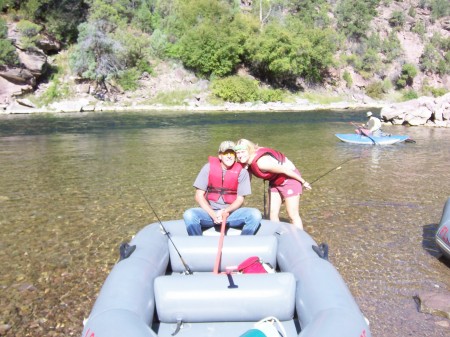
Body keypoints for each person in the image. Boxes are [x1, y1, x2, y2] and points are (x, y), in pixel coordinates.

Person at [183, 140, 262, 236]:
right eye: (226, 153)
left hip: (231, 213)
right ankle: (198, 243)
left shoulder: (242, 172)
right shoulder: (207, 168)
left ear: (235, 155)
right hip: (209, 213)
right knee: (189, 214)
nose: (229, 156)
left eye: (232, 153)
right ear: (220, 155)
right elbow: (199, 196)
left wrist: (226, 211)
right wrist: (213, 214)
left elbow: (240, 199)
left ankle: (243, 241)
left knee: (255, 214)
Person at [233, 139, 311, 230]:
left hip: (290, 180)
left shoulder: (262, 163)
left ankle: (300, 240)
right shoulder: (246, 163)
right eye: (238, 153)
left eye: (243, 152)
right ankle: (277, 235)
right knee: (272, 214)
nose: (240, 155)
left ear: (250, 150)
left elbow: (285, 170)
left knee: (292, 215)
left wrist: (303, 182)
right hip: (275, 182)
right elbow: (246, 184)